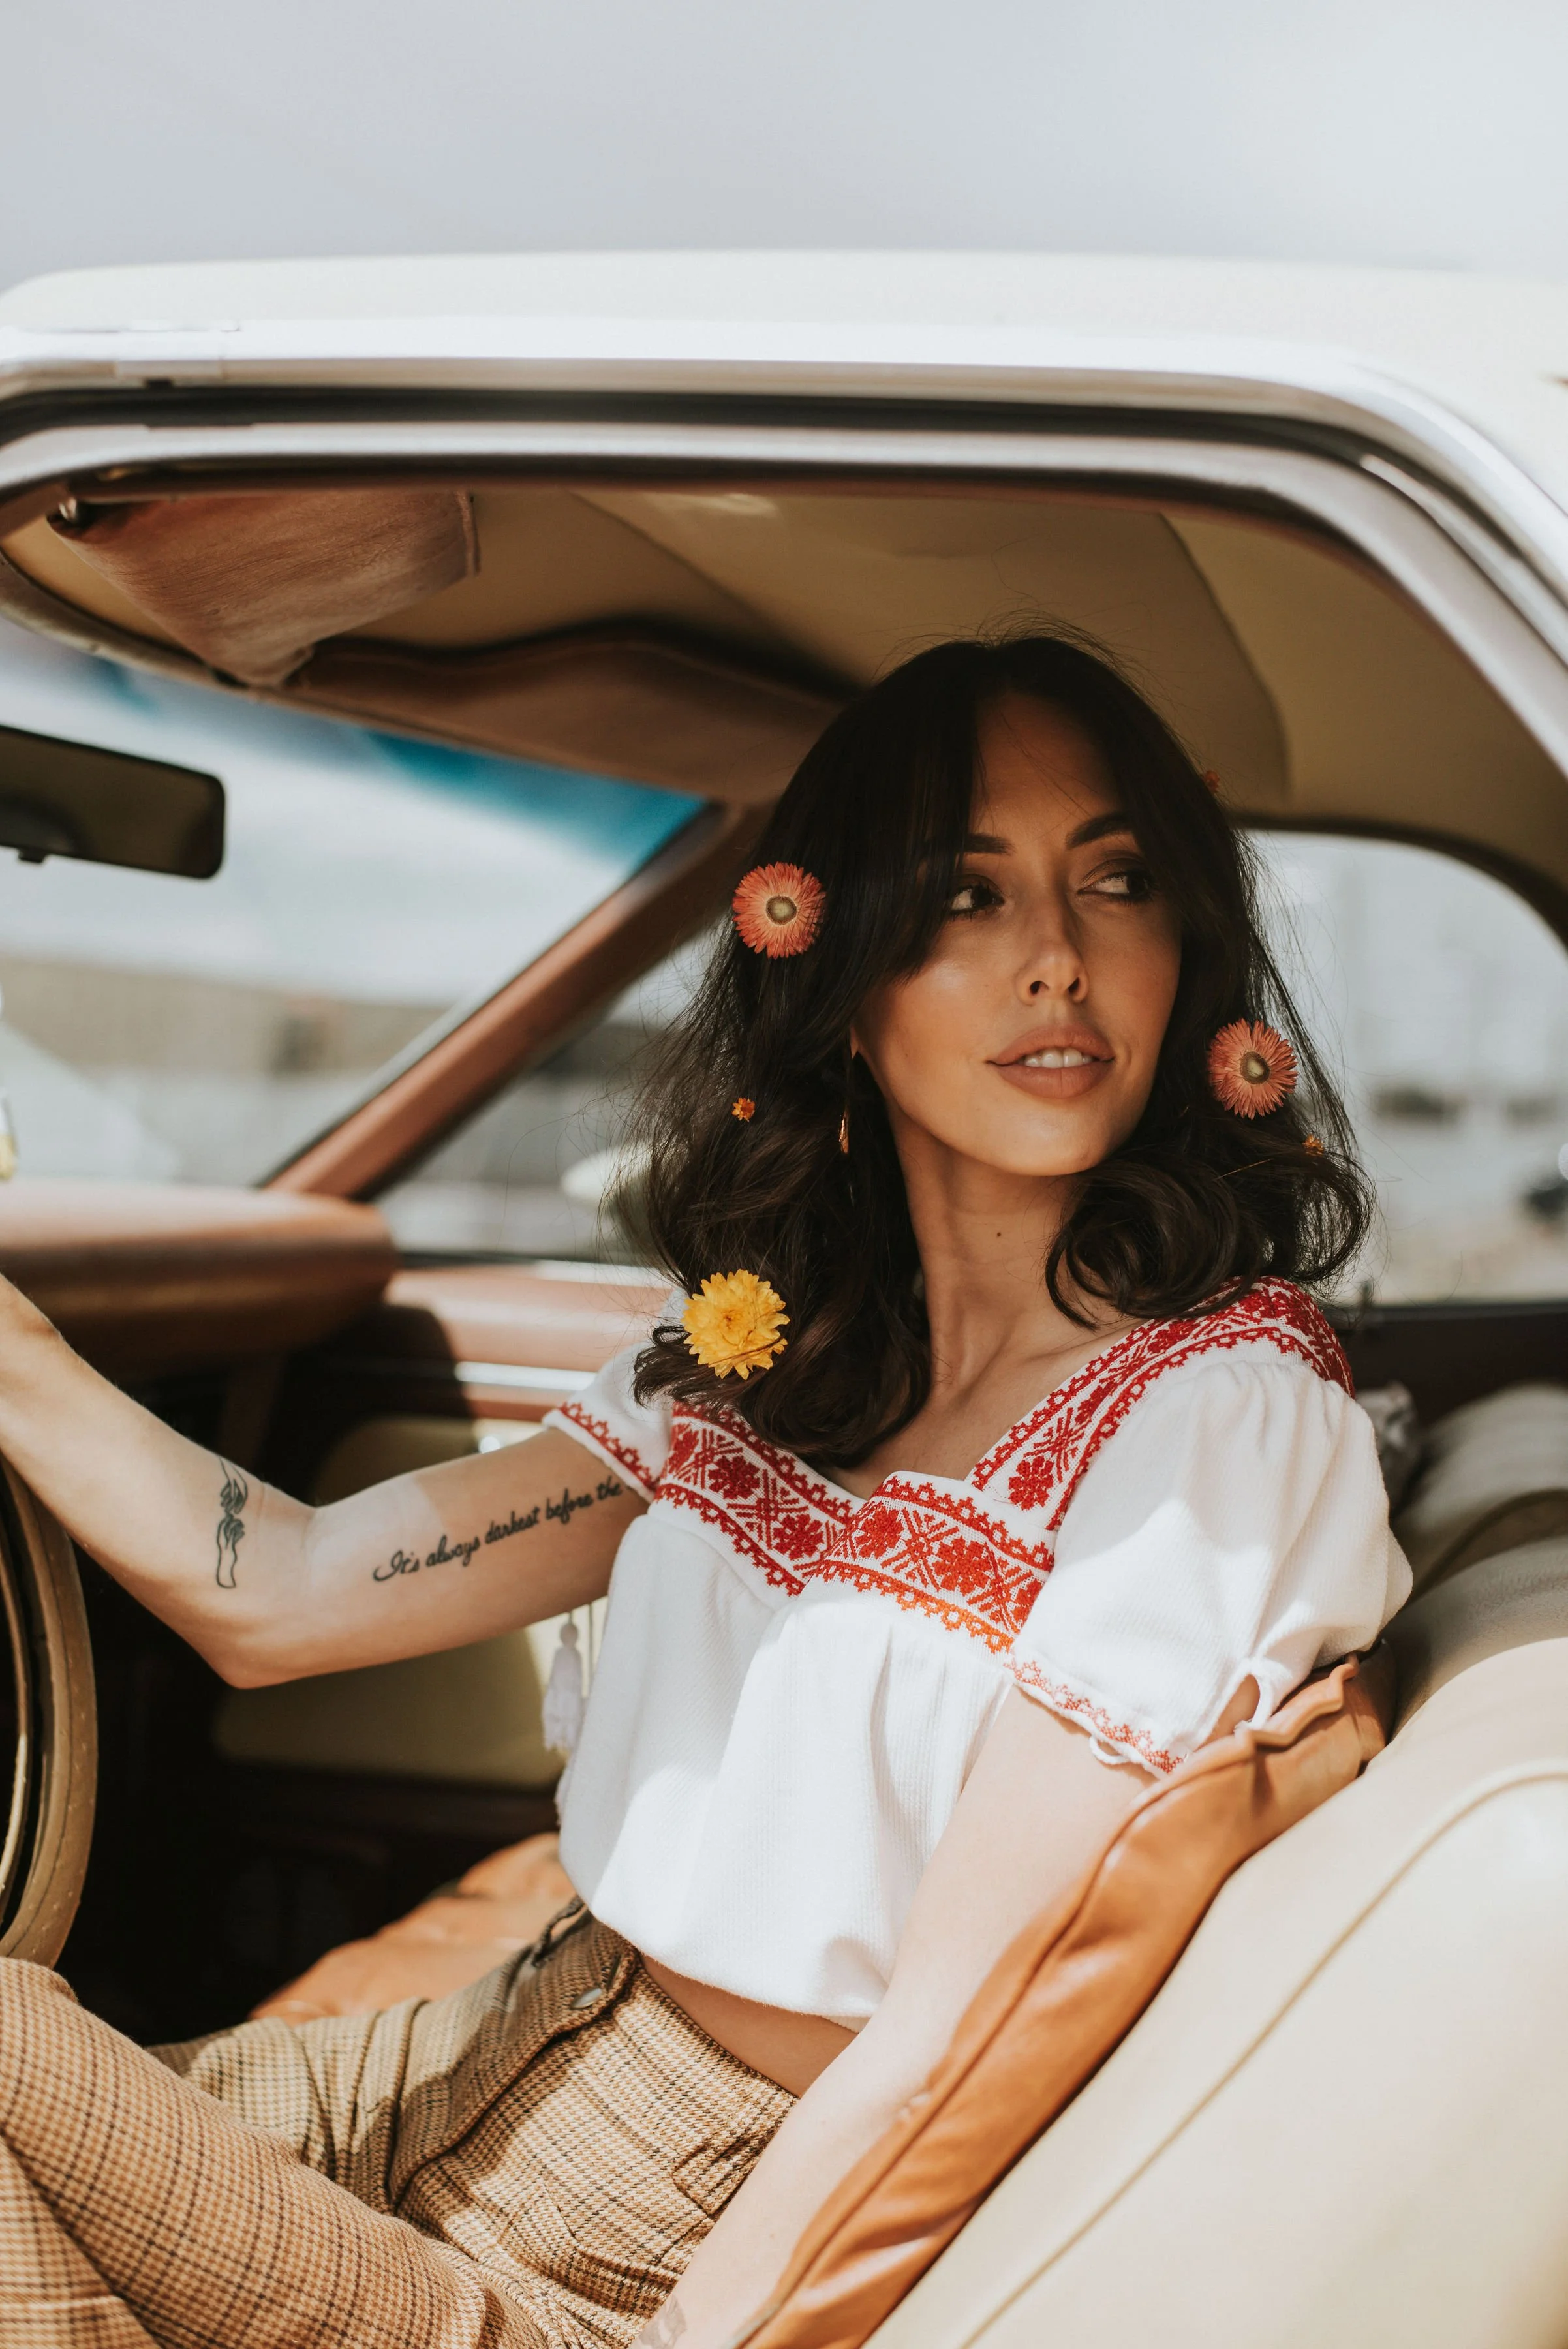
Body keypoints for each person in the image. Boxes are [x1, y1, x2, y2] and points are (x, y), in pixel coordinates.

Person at [0, 635, 1409, 2349]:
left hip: (651, 2245)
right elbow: (282, 1588)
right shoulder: (766, 1369)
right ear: (842, 973)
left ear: (1190, 953)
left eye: (1115, 882)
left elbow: (949, 2043)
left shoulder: (1216, 1431)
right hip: (498, 2042)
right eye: (965, 897)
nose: (1057, 958)